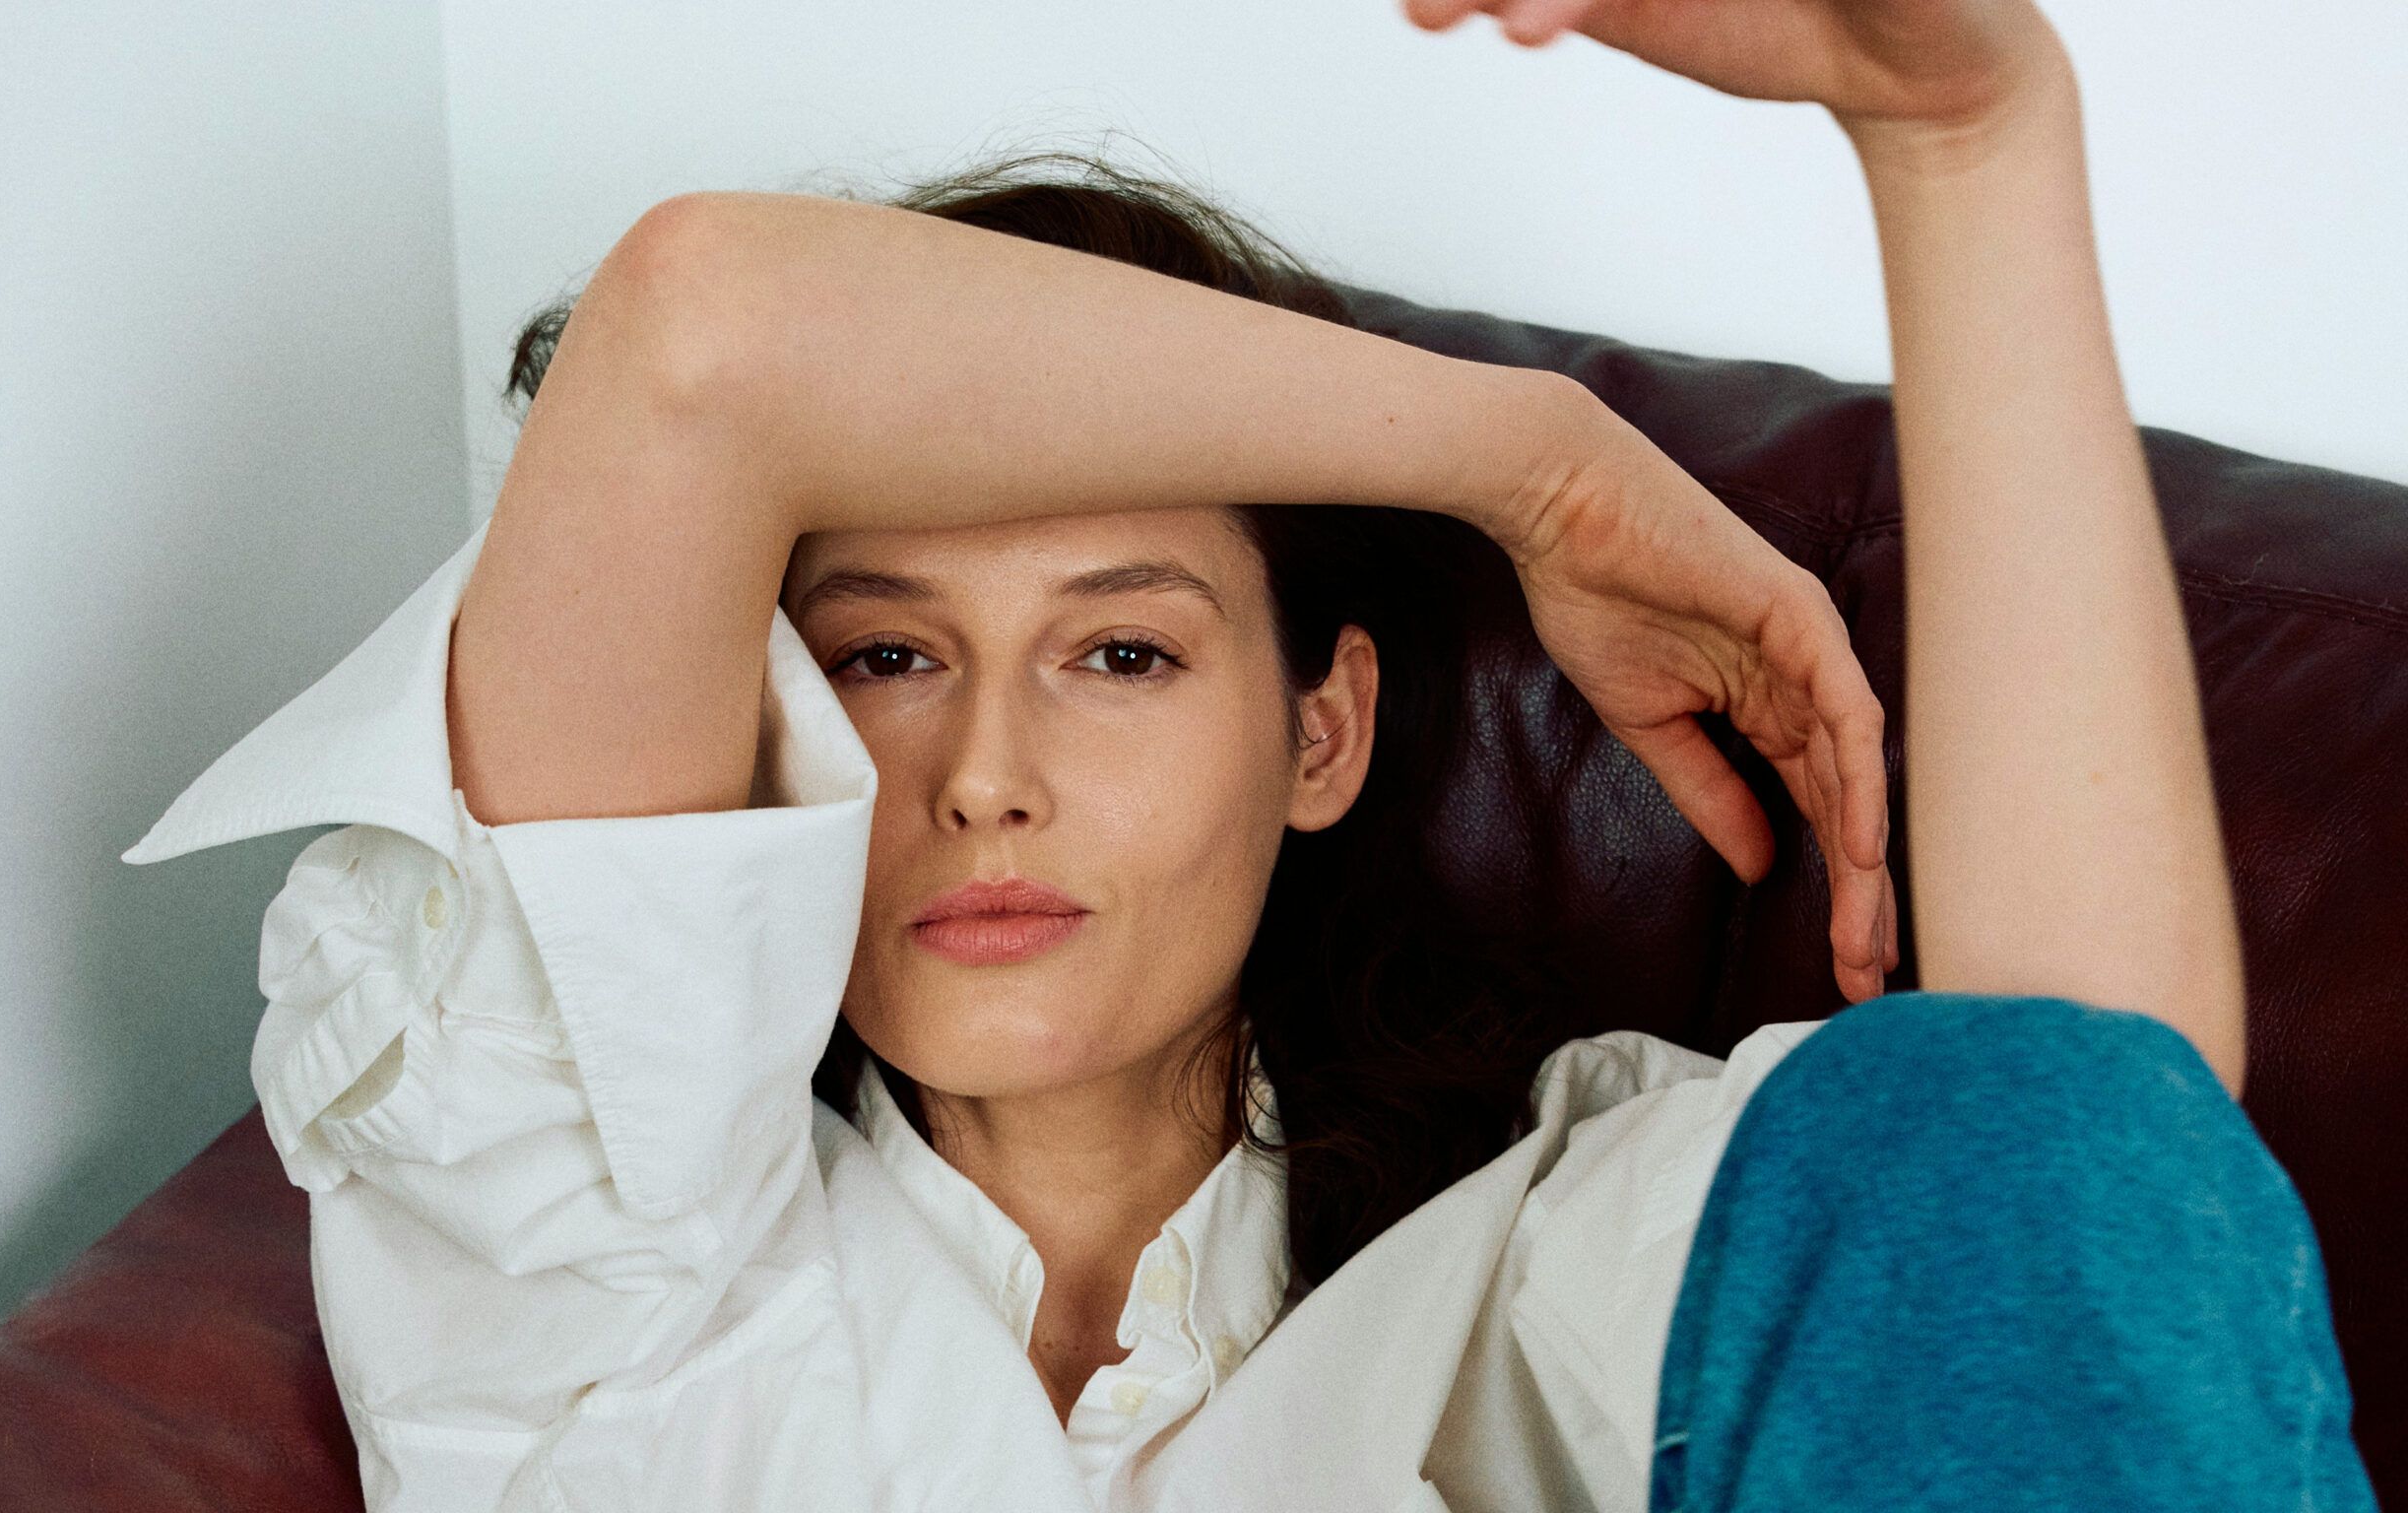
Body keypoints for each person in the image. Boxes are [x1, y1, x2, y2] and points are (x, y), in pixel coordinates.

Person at [121, 0, 2376, 1509]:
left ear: (1322, 734)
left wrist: (1964, 140)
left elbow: (2085, 1144)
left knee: (2025, 1137)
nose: (984, 776)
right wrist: (1533, 469)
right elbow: (696, 336)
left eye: (1119, 655)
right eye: (887, 658)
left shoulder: (1533, 1261)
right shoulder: (581, 1229)